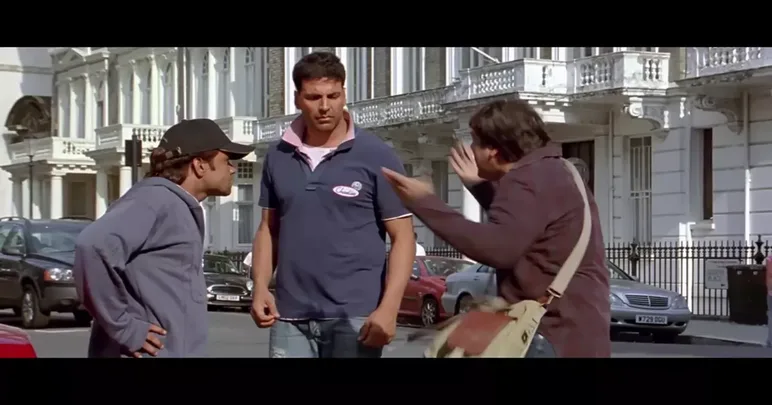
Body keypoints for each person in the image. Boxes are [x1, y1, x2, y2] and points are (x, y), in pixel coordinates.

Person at [381, 99, 611, 358]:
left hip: (547, 334)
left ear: (493, 150)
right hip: (579, 333)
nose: (472, 150)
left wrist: (424, 202)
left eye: (475, 142)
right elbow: (525, 227)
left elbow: (499, 248)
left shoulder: (526, 180)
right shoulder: (557, 170)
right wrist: (480, 187)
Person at [250, 51, 415, 358]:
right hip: (290, 316)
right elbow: (268, 230)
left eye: (333, 96)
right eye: (314, 97)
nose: (325, 106)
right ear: (297, 99)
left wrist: (389, 308)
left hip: (355, 316)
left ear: (344, 95)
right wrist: (260, 287)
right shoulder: (278, 156)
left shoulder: (376, 154)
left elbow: (403, 236)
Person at [73, 119, 255, 358]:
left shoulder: (174, 203)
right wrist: (125, 328)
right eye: (226, 160)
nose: (232, 169)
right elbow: (92, 247)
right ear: (199, 165)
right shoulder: (155, 200)